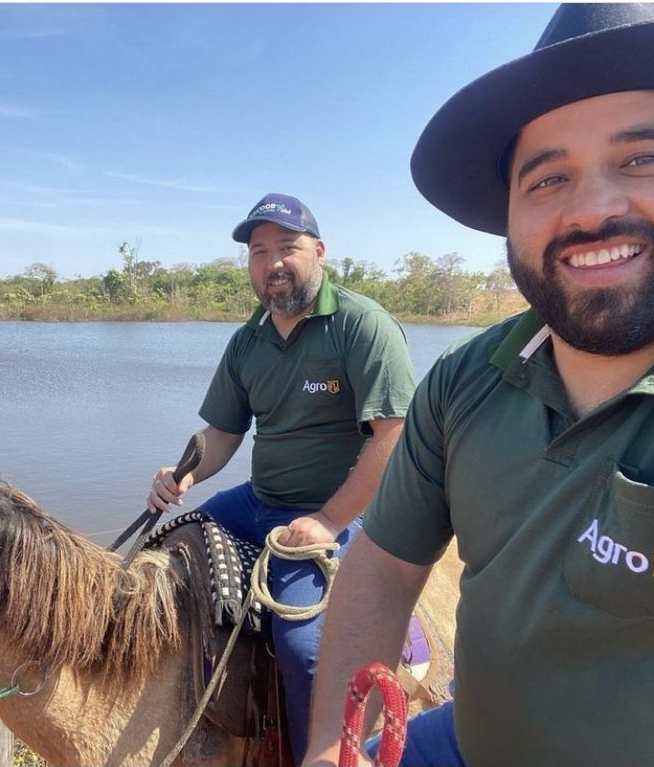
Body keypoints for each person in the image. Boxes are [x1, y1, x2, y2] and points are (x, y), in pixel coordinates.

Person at [303, 4, 654, 767]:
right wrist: (329, 752)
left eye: (643, 157)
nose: (591, 208)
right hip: (465, 743)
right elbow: (380, 561)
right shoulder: (464, 381)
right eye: (547, 177)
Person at [147, 192, 416, 764]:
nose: (272, 262)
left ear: (318, 251)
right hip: (258, 500)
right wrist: (183, 474)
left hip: (342, 509)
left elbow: (392, 439)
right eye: (259, 250)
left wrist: (328, 520)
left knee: (301, 649)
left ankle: (317, 755)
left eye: (287, 247)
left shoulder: (361, 325)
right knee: (162, 551)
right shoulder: (248, 340)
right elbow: (220, 436)